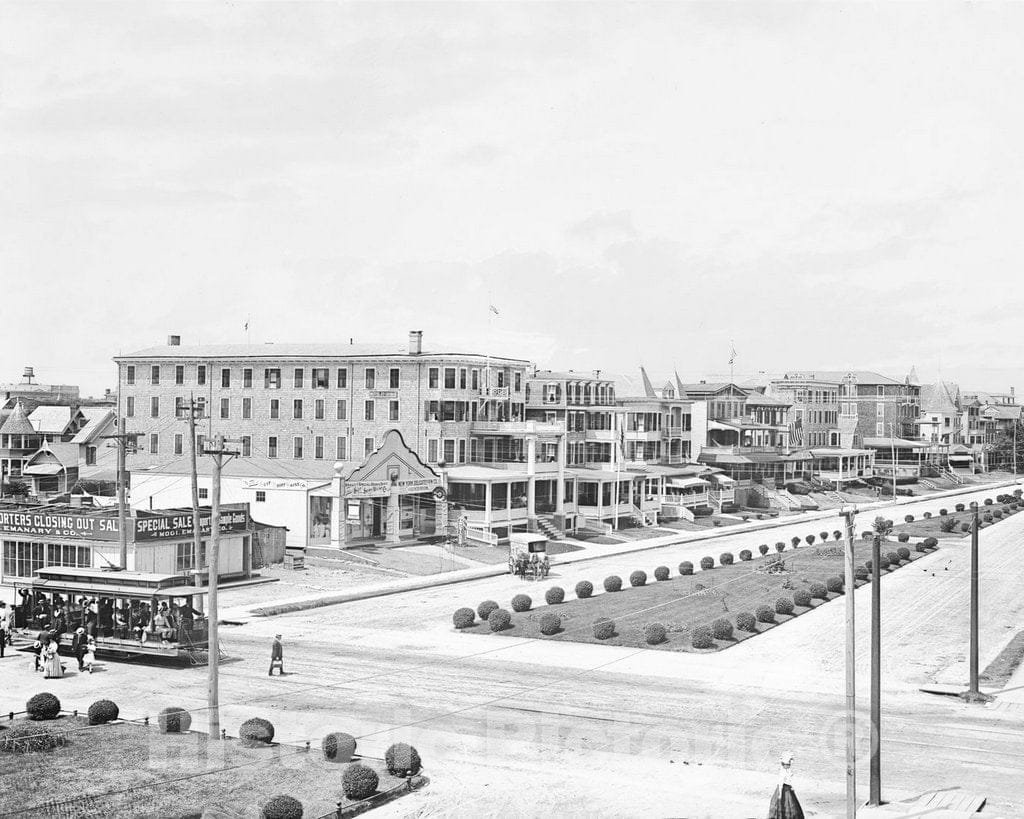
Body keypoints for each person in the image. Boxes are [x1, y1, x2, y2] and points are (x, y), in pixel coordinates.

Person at [767, 751, 804, 819]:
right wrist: (780, 794)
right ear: (784, 765)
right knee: (786, 804)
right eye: (787, 764)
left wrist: (792, 787)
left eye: (788, 764)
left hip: (787, 788)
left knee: (789, 804)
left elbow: (788, 780)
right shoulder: (783, 772)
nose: (788, 765)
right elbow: (780, 783)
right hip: (783, 789)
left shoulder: (787, 770)